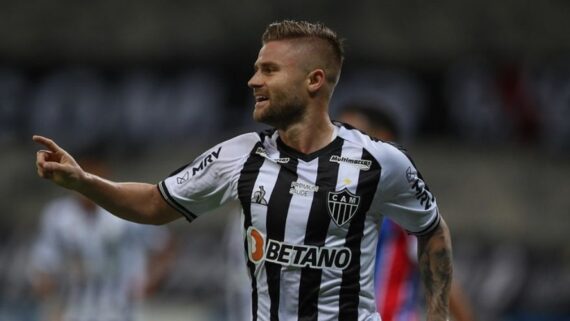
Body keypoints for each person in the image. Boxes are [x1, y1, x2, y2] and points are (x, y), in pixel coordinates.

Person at [33, 20, 453, 321]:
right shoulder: (238, 156)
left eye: (269, 70)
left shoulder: (379, 161)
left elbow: (431, 229)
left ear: (314, 80)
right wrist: (84, 182)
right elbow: (154, 204)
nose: (254, 80)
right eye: (256, 68)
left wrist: (437, 316)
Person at [337, 102, 476, 321]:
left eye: (351, 135)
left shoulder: (399, 205)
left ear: (382, 138)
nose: (339, 144)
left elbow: (438, 267)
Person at [29, 153, 174, 321]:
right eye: (82, 175)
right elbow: (44, 265)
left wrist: (149, 283)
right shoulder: (58, 216)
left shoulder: (126, 210)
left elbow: (164, 247)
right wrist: (52, 303)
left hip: (122, 312)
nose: (86, 184)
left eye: (93, 175)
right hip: (75, 312)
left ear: (104, 176)